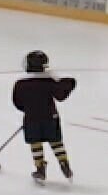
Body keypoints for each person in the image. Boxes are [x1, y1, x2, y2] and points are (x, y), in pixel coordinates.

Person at [12, 49, 76, 184]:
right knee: (55, 141)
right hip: (50, 117)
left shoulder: (21, 84)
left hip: (32, 118)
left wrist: (28, 110)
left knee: (35, 142)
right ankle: (64, 163)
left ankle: (40, 168)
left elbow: (17, 102)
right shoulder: (50, 82)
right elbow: (61, 95)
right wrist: (65, 82)